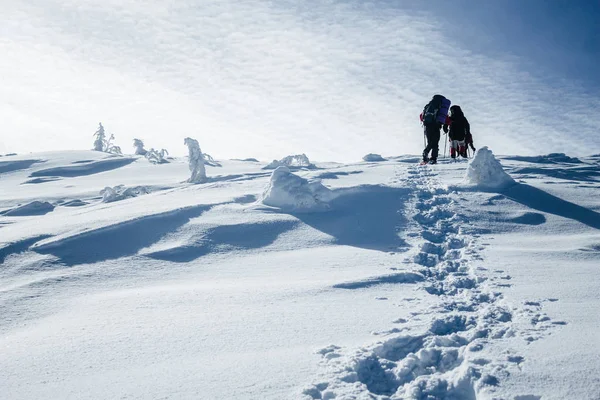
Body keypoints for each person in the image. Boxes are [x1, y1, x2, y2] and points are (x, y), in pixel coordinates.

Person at [420, 95, 451, 164]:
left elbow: (421, 116)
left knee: (430, 142)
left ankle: (426, 154)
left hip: (427, 126)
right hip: (436, 126)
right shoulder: (441, 106)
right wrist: (446, 126)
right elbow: (446, 118)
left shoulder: (428, 105)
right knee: (435, 142)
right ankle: (433, 158)